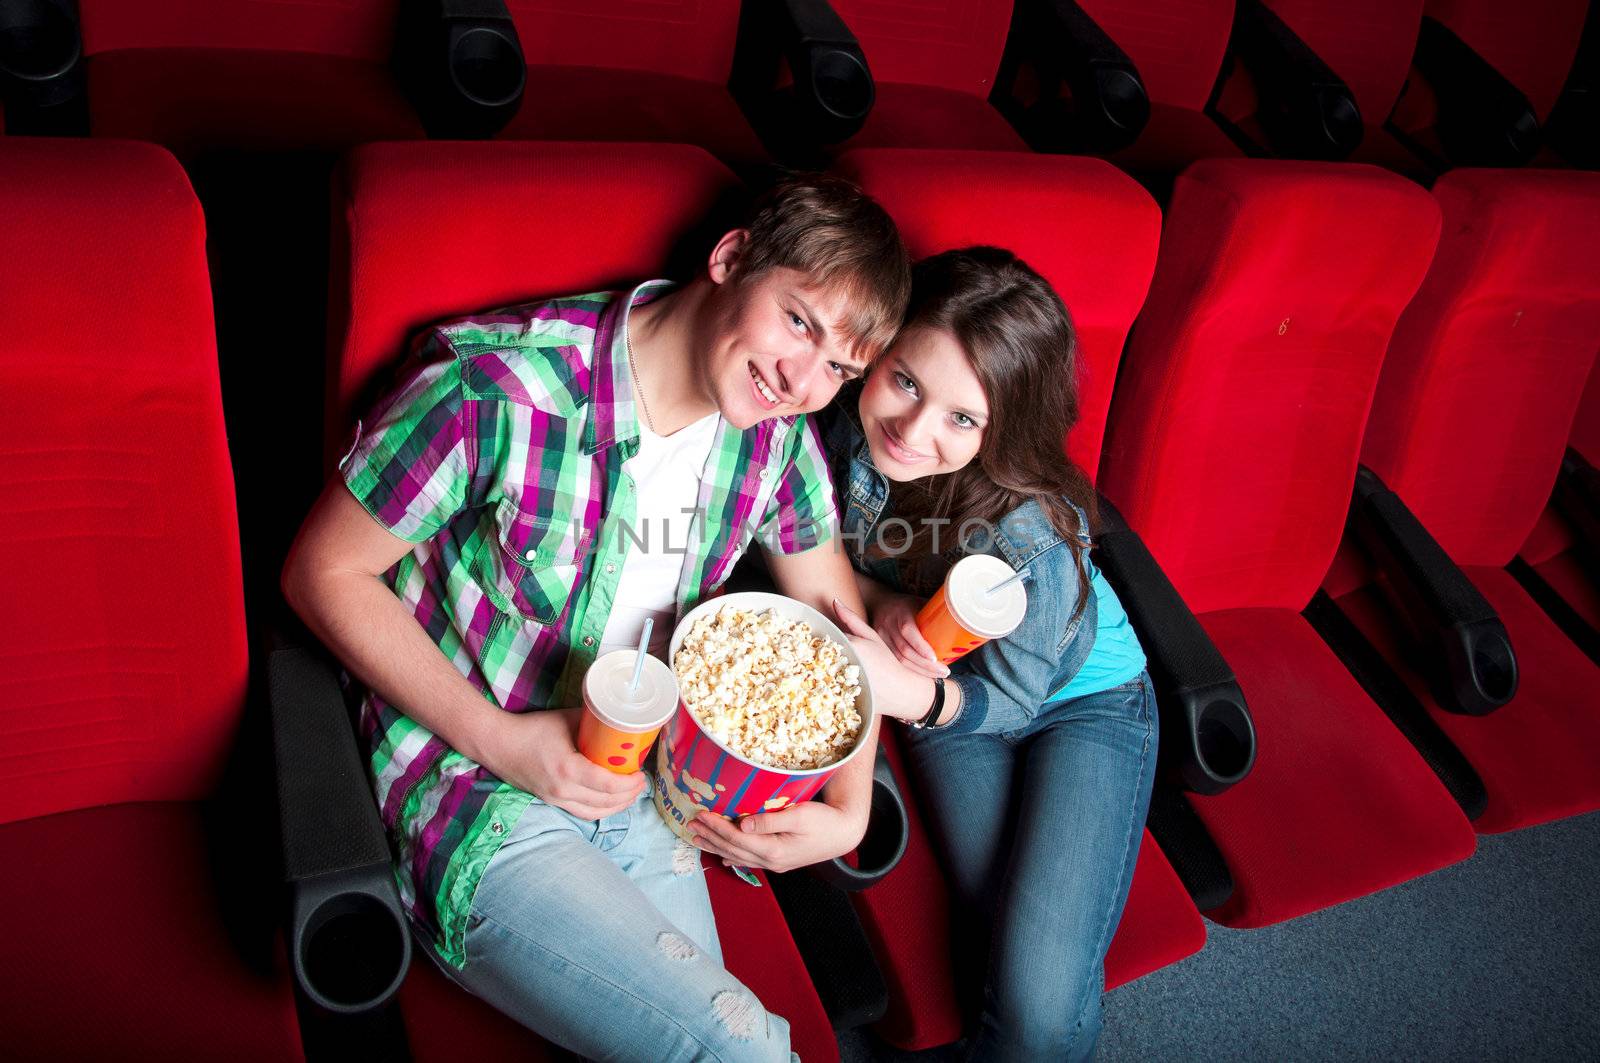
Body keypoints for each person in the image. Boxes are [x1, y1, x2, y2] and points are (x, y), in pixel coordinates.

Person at [281, 175, 926, 1061]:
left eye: (841, 370)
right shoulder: (496, 387)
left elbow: (836, 633)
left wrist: (850, 810)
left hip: (642, 783)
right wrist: (505, 740)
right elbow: (320, 571)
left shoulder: (777, 443)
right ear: (732, 257)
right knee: (744, 1050)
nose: (802, 380)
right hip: (475, 776)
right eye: (799, 322)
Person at [815, 246, 1157, 1060]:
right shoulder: (837, 416)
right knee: (999, 945)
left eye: (962, 418)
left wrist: (901, 692)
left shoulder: (1033, 536)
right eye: (905, 380)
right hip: (941, 676)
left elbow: (1005, 701)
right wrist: (891, 603)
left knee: (1036, 1004)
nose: (912, 429)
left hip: (1083, 704)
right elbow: (809, 548)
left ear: (1002, 427)